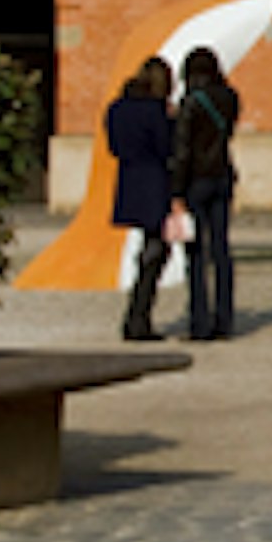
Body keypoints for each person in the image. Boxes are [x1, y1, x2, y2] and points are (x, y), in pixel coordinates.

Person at [104, 58, 179, 344]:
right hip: (154, 182)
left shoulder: (117, 108)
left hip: (128, 180)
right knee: (157, 251)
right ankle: (138, 316)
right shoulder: (155, 111)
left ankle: (138, 315)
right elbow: (166, 147)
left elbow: (113, 146)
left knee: (150, 247)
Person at [173, 45, 241, 342]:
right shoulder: (229, 99)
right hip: (222, 176)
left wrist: (176, 190)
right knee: (221, 249)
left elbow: (184, 150)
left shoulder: (190, 103)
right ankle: (224, 319)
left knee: (196, 254)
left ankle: (200, 321)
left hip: (196, 181)